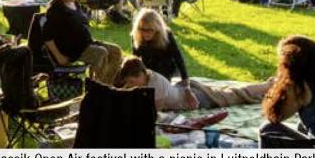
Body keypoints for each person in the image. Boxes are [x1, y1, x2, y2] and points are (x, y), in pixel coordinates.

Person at [41, 0, 122, 85]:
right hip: (72, 49)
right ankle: (98, 87)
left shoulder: (73, 2)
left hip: (86, 43)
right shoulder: (56, 8)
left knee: (116, 51)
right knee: (101, 52)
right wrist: (59, 57)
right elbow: (47, 35)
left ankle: (107, 84)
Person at [115, 57, 269, 111]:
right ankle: (265, 87)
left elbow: (155, 112)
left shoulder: (155, 83)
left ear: (141, 74)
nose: (130, 85)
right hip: (183, 89)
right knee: (227, 91)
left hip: (195, 98)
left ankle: (267, 86)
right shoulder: (143, 81)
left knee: (233, 95)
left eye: (131, 81)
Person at [130, 9, 188, 83]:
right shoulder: (136, 36)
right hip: (147, 68)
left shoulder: (167, 35)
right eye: (142, 29)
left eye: (150, 30)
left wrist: (185, 81)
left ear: (157, 28)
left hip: (165, 68)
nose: (145, 33)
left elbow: (178, 57)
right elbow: (135, 59)